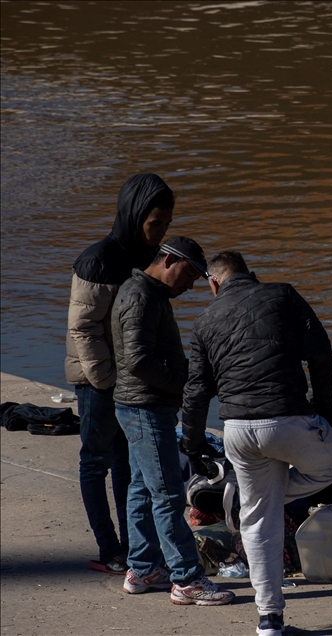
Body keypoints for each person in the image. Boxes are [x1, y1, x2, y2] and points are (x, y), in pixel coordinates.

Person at [180, 251, 332, 636]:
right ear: (251, 275)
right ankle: (254, 498)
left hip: (238, 430)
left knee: (259, 518)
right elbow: (321, 356)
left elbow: (196, 391)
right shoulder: (282, 294)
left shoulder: (205, 318)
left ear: (213, 283)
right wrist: (327, 413)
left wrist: (192, 445)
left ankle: (269, 620)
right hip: (288, 419)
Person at [111, 236, 234, 606]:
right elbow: (138, 360)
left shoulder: (148, 293)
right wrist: (183, 385)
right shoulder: (140, 296)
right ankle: (187, 579)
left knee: (141, 489)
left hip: (138, 406)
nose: (191, 284)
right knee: (167, 493)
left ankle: (143, 567)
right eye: (189, 274)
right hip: (146, 408)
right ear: (168, 260)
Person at [65, 173, 175, 574]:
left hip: (130, 382)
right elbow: (84, 328)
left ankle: (135, 549)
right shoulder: (98, 259)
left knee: (128, 464)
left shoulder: (148, 258)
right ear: (134, 214)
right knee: (96, 461)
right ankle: (109, 547)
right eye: (155, 223)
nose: (161, 231)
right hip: (98, 381)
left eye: (165, 223)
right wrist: (106, 380)